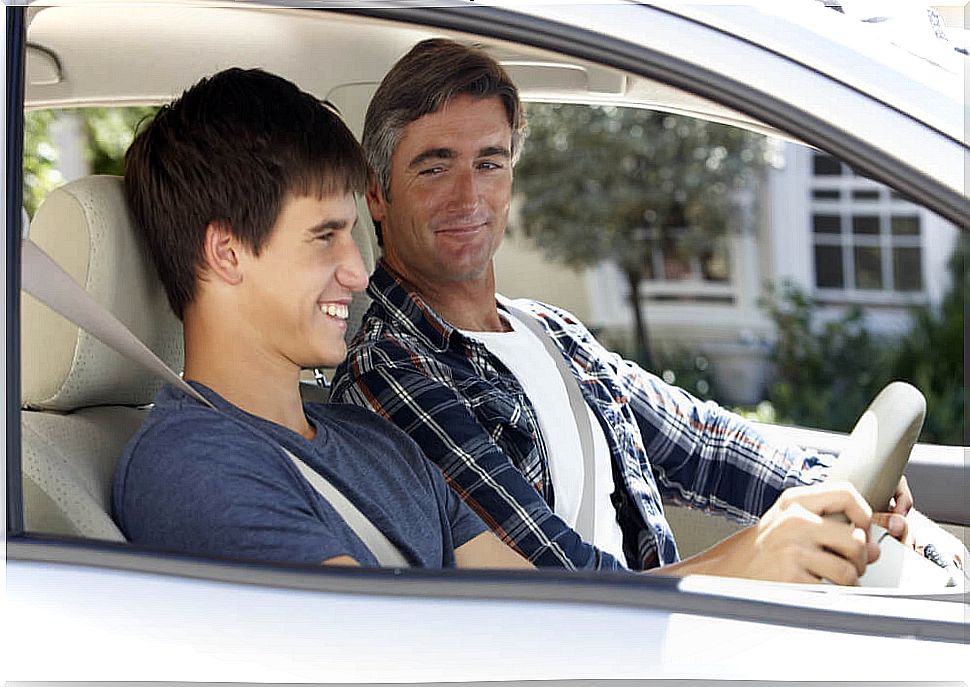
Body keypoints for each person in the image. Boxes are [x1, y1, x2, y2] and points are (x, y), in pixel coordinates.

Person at [330, 39, 914, 584]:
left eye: (489, 162)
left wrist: (846, 487)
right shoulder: (389, 373)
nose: (469, 196)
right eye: (434, 166)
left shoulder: (548, 329)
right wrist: (752, 556)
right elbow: (568, 589)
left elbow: (701, 445)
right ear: (377, 194)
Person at [112, 67, 531, 570]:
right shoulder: (191, 466)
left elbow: (540, 607)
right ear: (227, 252)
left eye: (352, 233)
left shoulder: (376, 440)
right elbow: (377, 644)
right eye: (325, 236)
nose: (358, 272)